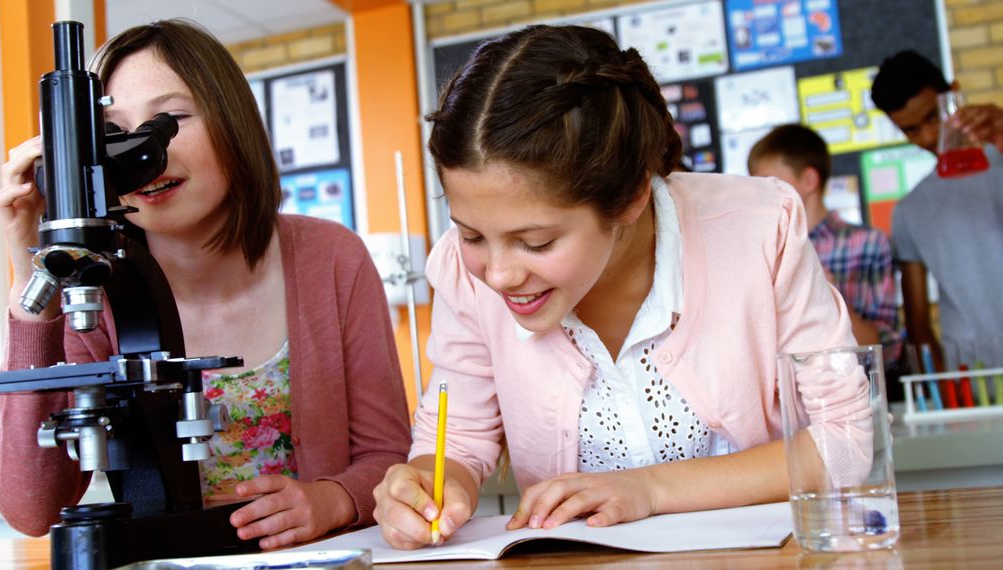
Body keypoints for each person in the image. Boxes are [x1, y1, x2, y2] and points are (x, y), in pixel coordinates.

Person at [373, 25, 867, 550]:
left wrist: (650, 488)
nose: (497, 275)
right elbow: (459, 440)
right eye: (472, 234)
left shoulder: (761, 227)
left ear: (631, 197)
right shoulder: (459, 273)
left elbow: (847, 440)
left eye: (535, 243)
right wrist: (428, 484)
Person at [0, 19, 411, 549]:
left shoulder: (331, 258)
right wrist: (33, 286)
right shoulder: (93, 293)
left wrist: (334, 498)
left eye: (169, 120)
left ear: (232, 121)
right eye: (115, 133)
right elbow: (32, 510)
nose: (145, 152)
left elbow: (389, 457)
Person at [871, 50, 1003, 364]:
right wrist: (942, 394)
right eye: (910, 129)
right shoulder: (909, 210)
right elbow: (918, 324)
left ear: (954, 93)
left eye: (933, 116)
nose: (929, 136)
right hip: (977, 378)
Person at [747, 124, 900, 369]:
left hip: (854, 390)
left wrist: (826, 294)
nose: (759, 194)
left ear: (809, 180)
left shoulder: (867, 242)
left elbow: (887, 350)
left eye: (770, 183)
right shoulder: (759, 250)